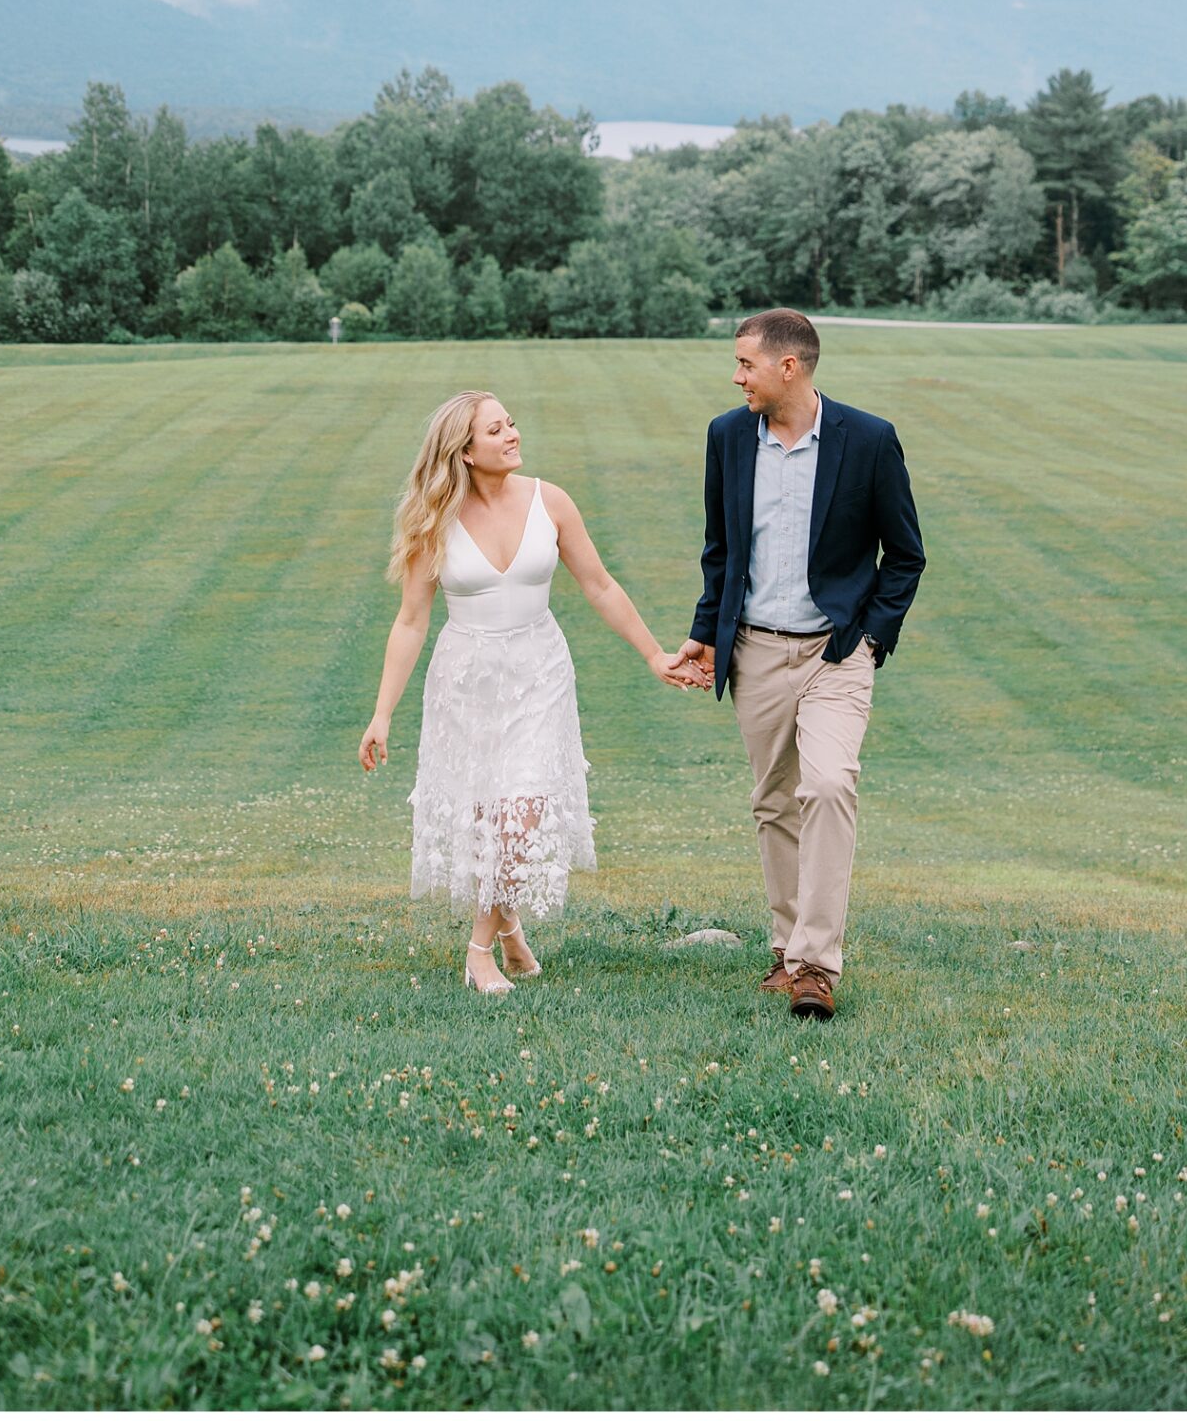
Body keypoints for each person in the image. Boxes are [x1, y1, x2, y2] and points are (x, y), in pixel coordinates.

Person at [361, 390, 704, 994]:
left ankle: (478, 953)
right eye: (496, 431)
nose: (512, 435)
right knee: (486, 817)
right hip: (466, 681)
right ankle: (512, 929)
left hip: (540, 671)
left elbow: (599, 585)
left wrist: (654, 655)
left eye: (511, 424)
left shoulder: (552, 502)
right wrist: (381, 715)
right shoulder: (434, 520)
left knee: (523, 812)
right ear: (465, 453)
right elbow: (412, 620)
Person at [667, 309, 925, 1020]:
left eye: (745, 363)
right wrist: (705, 634)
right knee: (774, 802)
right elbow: (719, 549)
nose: (735, 375)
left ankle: (816, 965)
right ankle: (786, 951)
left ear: (790, 367)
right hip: (753, 648)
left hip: (833, 652)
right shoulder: (726, 436)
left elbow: (904, 555)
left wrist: (868, 637)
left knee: (828, 783)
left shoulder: (868, 440)